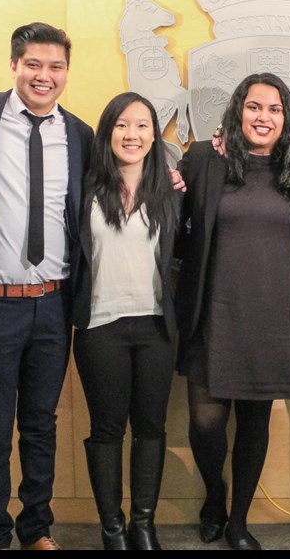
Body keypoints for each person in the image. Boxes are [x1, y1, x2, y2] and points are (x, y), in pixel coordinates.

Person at [0, 23, 93, 551]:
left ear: (65, 72)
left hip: (53, 305)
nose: (44, 75)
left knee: (41, 425)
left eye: (55, 66)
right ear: (14, 65)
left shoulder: (78, 135)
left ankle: (35, 528)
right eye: (33, 64)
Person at [175, 72, 290, 550]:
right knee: (206, 423)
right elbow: (175, 225)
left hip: (273, 317)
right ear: (239, 112)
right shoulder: (203, 160)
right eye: (255, 107)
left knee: (255, 422)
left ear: (286, 118)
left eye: (274, 109)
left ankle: (237, 520)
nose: (264, 117)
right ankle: (214, 494)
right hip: (213, 313)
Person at [71, 93, 181, 550]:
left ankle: (144, 524)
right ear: (107, 131)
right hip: (100, 326)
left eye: (141, 126)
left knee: (151, 427)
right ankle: (112, 528)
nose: (131, 134)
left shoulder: (173, 192)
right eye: (121, 125)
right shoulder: (83, 188)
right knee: (107, 429)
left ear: (154, 135)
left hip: (156, 326)